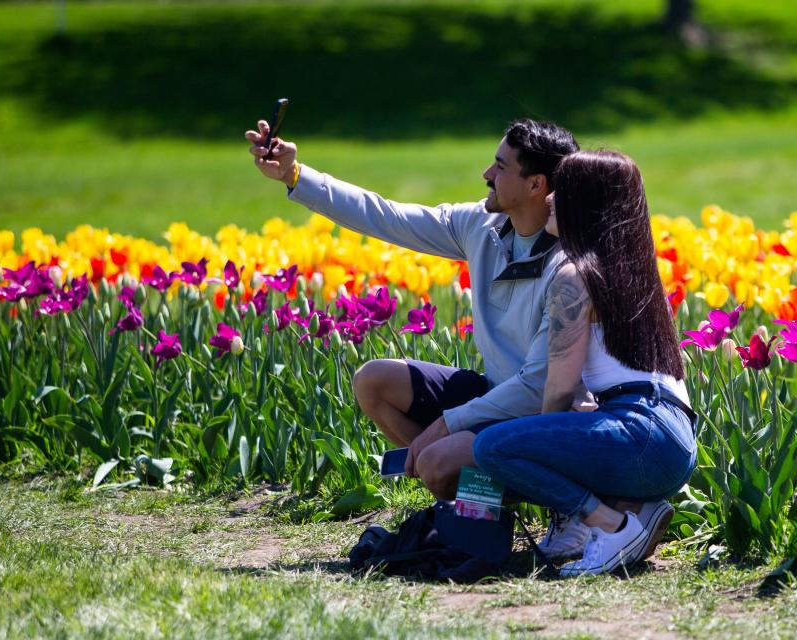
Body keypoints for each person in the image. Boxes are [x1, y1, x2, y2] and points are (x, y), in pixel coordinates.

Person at [246, 118, 577, 499]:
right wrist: (295, 176)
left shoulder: (568, 265)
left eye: (500, 167)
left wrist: (449, 423)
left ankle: (484, 488)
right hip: (491, 393)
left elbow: (538, 389)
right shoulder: (479, 224)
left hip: (540, 419)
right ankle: (472, 497)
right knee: (373, 382)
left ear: (536, 185)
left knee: (444, 446)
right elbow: (387, 216)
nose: (487, 174)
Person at [472, 149, 698, 575]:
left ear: (589, 205)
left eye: (565, 190)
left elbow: (557, 388)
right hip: (674, 441)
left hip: (641, 433)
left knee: (491, 446)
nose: (552, 198)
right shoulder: (635, 273)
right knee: (563, 429)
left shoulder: (574, 277)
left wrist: (543, 451)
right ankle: (632, 510)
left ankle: (610, 524)